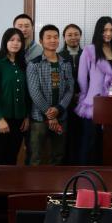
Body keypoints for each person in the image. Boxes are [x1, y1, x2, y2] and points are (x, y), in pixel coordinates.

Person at [76, 16, 112, 164]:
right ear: (98, 31)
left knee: (108, 143)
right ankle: (85, 174)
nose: (108, 33)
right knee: (90, 142)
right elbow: (82, 77)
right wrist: (85, 97)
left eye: (111, 30)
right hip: (93, 104)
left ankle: (105, 175)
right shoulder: (89, 50)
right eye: (104, 30)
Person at [27, 25, 74, 165]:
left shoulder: (65, 63)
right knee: (36, 157)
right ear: (41, 41)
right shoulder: (34, 64)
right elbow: (34, 91)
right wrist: (50, 114)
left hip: (61, 116)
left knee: (58, 156)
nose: (53, 40)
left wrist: (58, 109)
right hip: (39, 118)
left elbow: (70, 89)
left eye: (55, 37)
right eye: (48, 37)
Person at [0, 28, 30, 165]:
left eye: (19, 40)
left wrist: (26, 116)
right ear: (5, 42)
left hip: (19, 119)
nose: (15, 43)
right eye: (11, 40)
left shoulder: (23, 64)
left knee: (12, 158)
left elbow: (27, 93)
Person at [58, 24, 83, 165]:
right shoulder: (59, 56)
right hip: (64, 103)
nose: (73, 37)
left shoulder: (86, 54)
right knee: (65, 136)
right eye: (69, 35)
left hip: (83, 102)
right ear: (64, 37)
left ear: (80, 36)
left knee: (81, 135)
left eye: (76, 34)